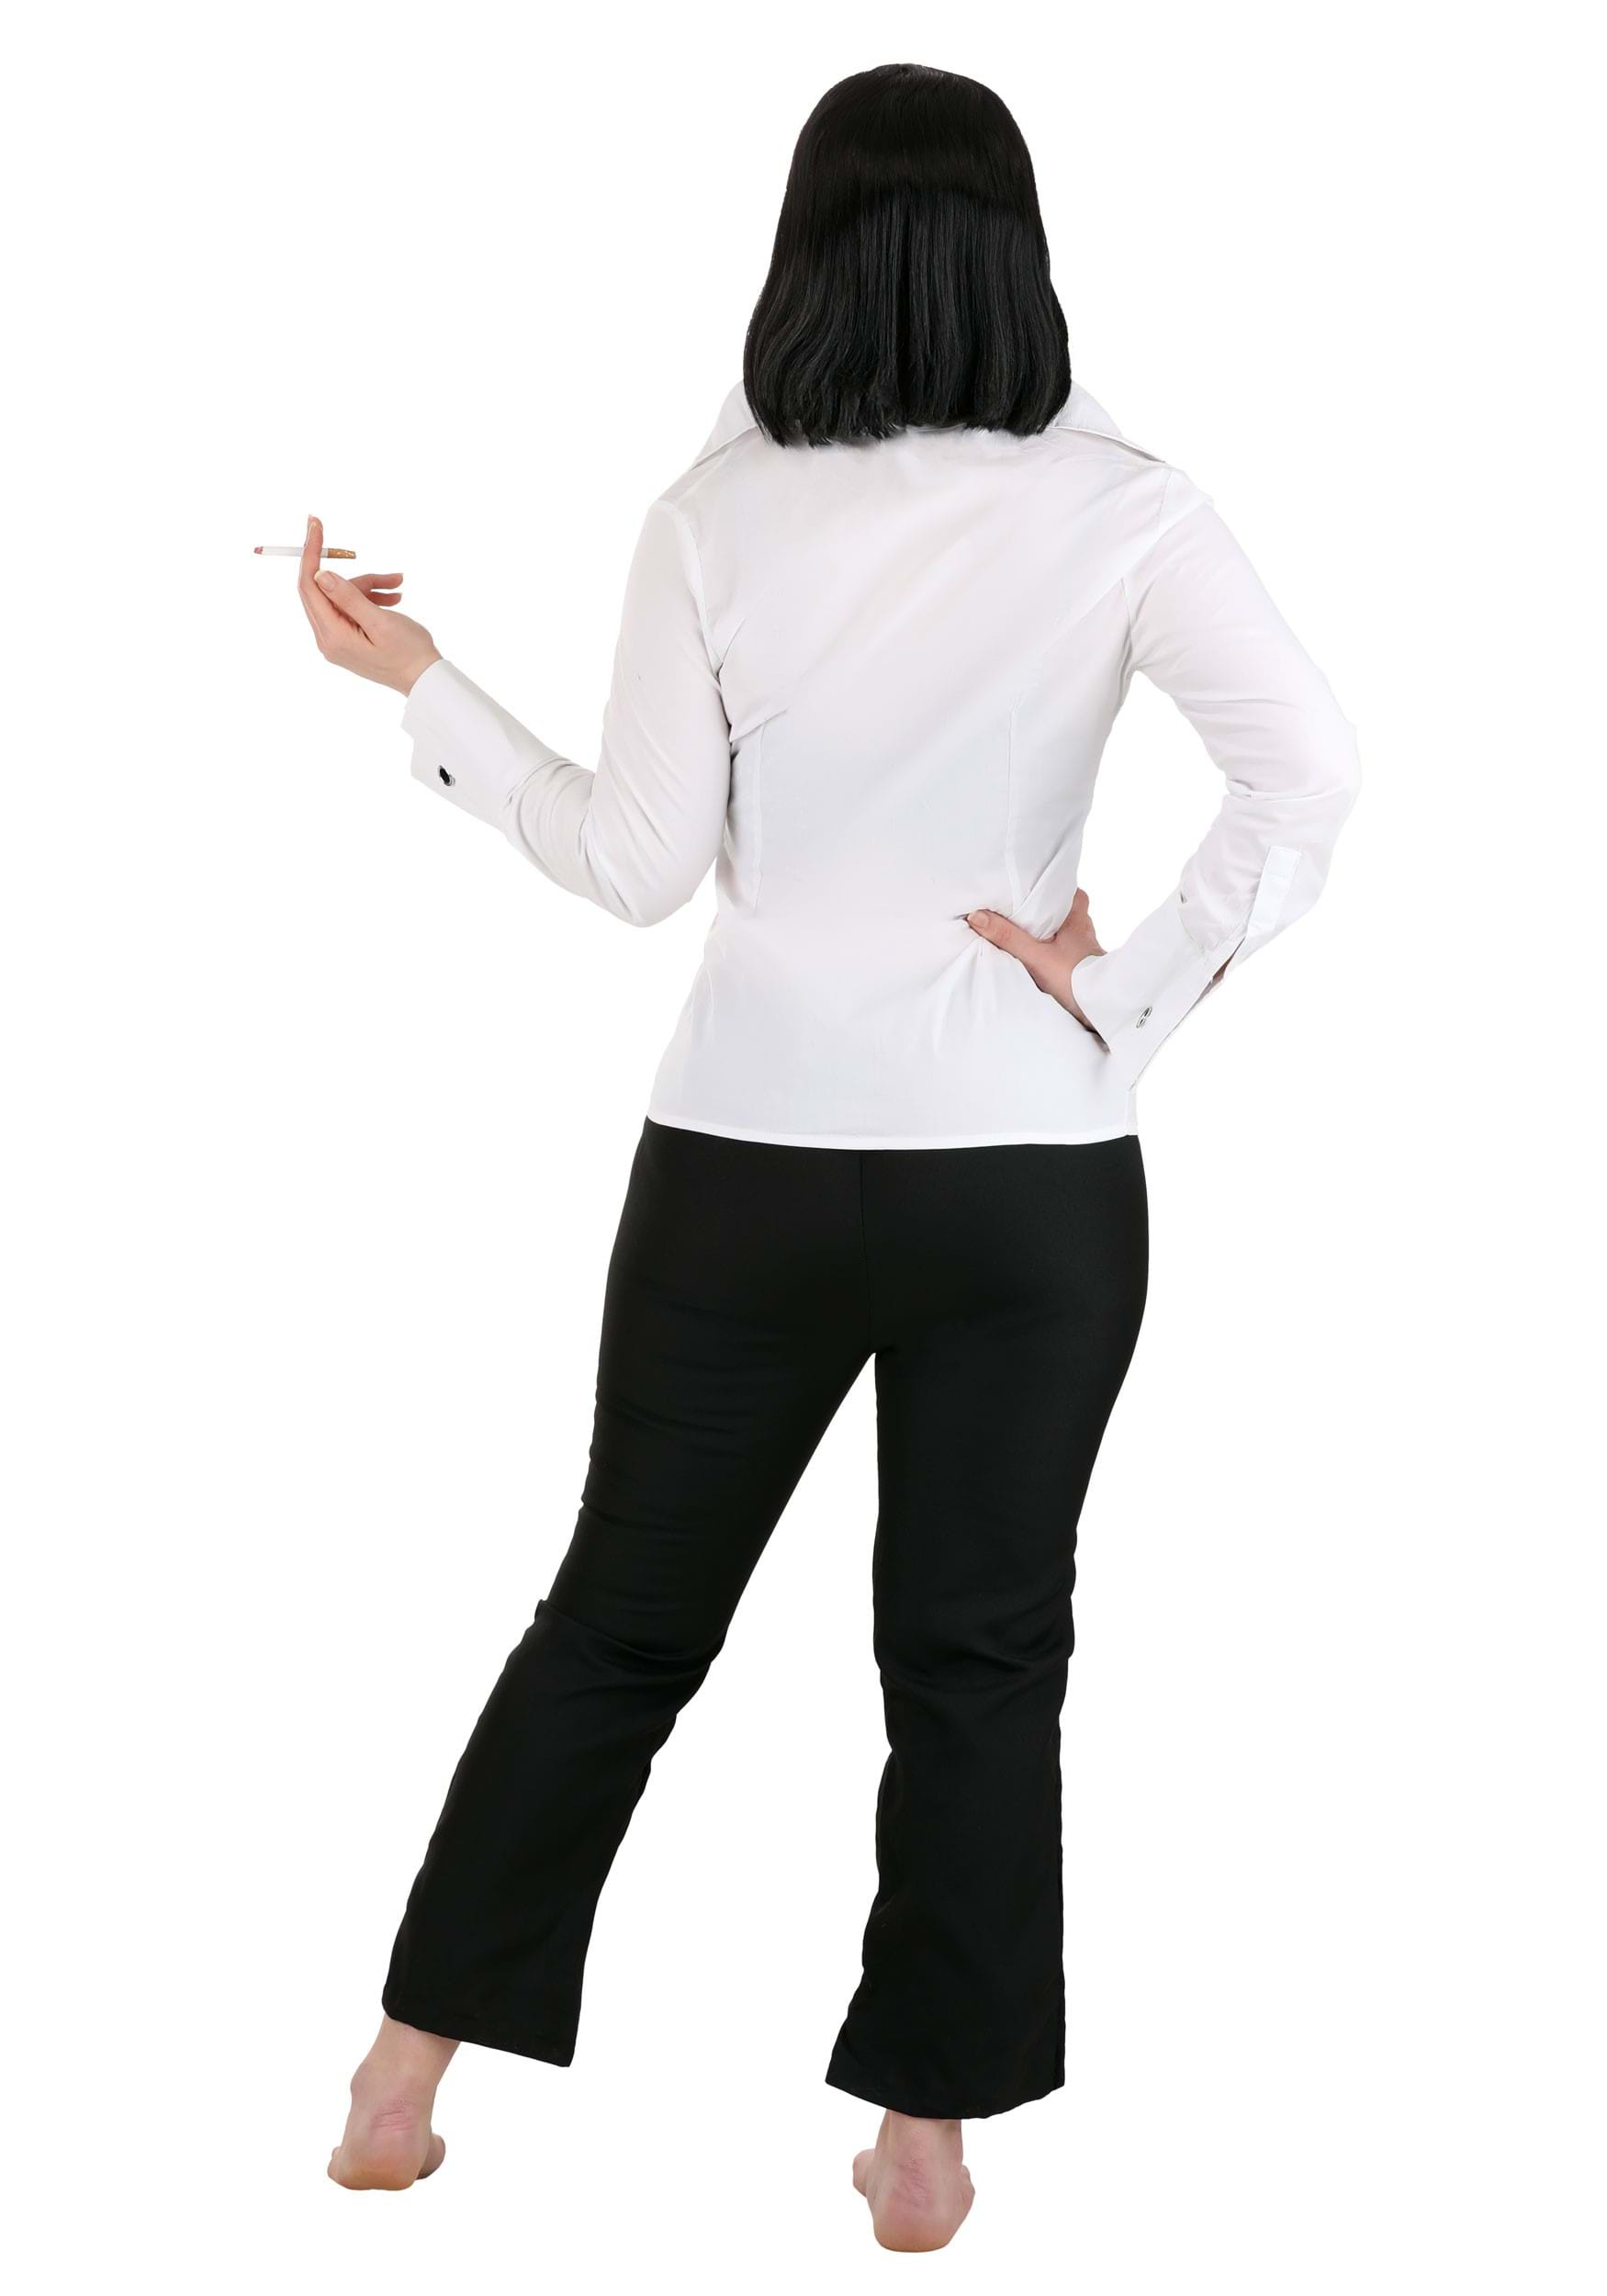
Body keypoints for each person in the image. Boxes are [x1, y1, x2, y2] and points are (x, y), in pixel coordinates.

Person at [298, 62, 1359, 2251]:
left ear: (799, 250)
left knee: (616, 1617)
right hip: (1026, 1173)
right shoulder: (1125, 507)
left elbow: (630, 862)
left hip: (746, 1164)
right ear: (1016, 249)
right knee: (976, 1650)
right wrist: (1123, 986)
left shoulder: (715, 516)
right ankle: (922, 2139)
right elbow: (1307, 773)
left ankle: (398, 2083)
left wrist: (421, 681)